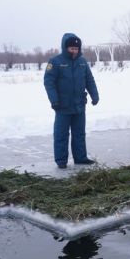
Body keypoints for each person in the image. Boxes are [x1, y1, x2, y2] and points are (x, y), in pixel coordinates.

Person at [44, 33, 99, 169]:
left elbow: (89, 80)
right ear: (65, 47)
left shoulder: (82, 62)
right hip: (62, 106)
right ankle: (61, 161)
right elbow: (48, 82)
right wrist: (54, 100)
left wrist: (94, 95)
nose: (74, 51)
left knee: (79, 133)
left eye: (76, 48)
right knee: (61, 134)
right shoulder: (55, 61)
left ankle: (80, 158)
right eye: (71, 49)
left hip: (79, 105)